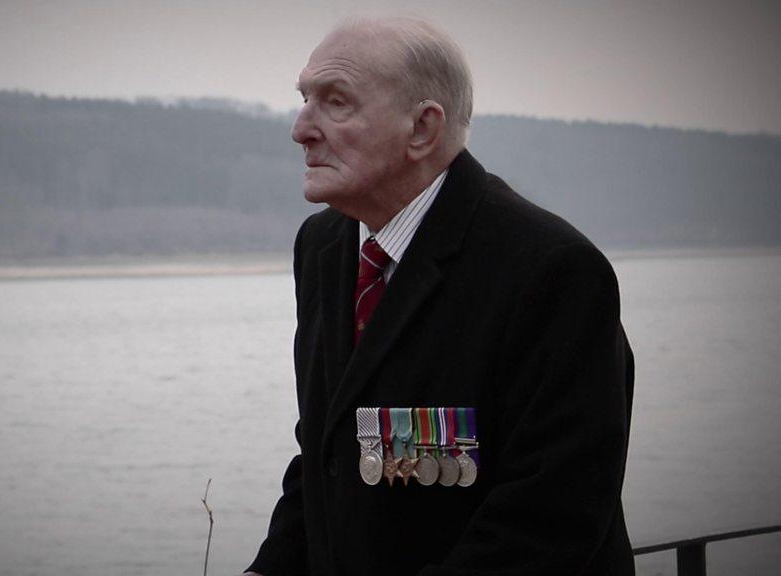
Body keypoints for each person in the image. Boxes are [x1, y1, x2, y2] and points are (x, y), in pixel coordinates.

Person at [243, 17, 635, 576]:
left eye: (335, 102)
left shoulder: (553, 271)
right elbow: (328, 457)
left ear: (423, 129)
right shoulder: (325, 246)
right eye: (305, 99)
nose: (300, 128)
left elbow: (553, 515)